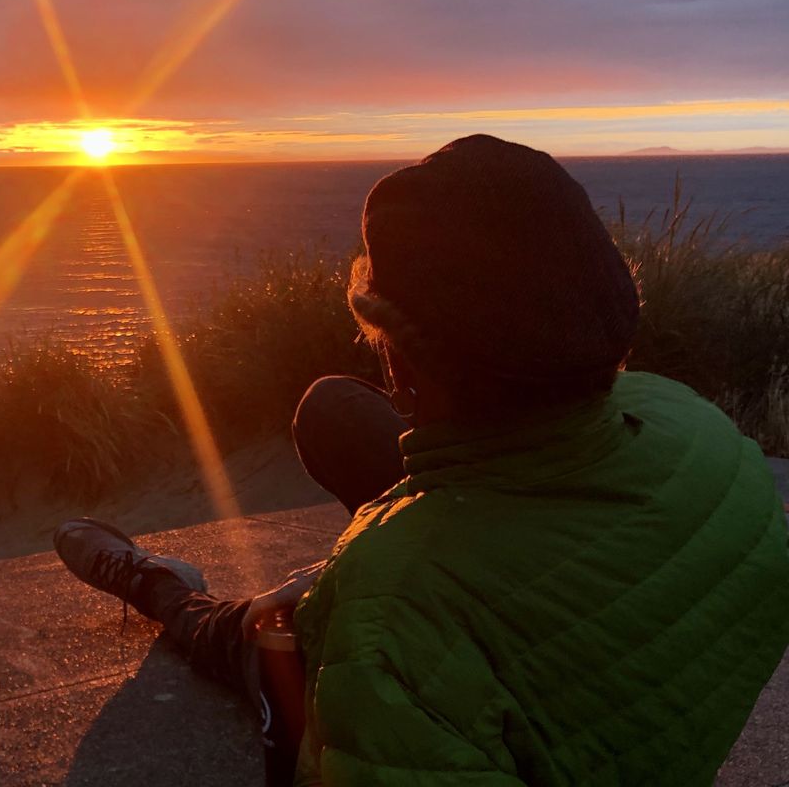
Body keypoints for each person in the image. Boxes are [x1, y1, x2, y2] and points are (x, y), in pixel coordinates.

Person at [53, 135, 789, 785]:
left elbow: (380, 696)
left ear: (399, 359)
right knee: (334, 410)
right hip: (561, 555)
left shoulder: (392, 610)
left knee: (240, 634)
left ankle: (161, 590)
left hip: (436, 653)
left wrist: (352, 601)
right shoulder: (687, 415)